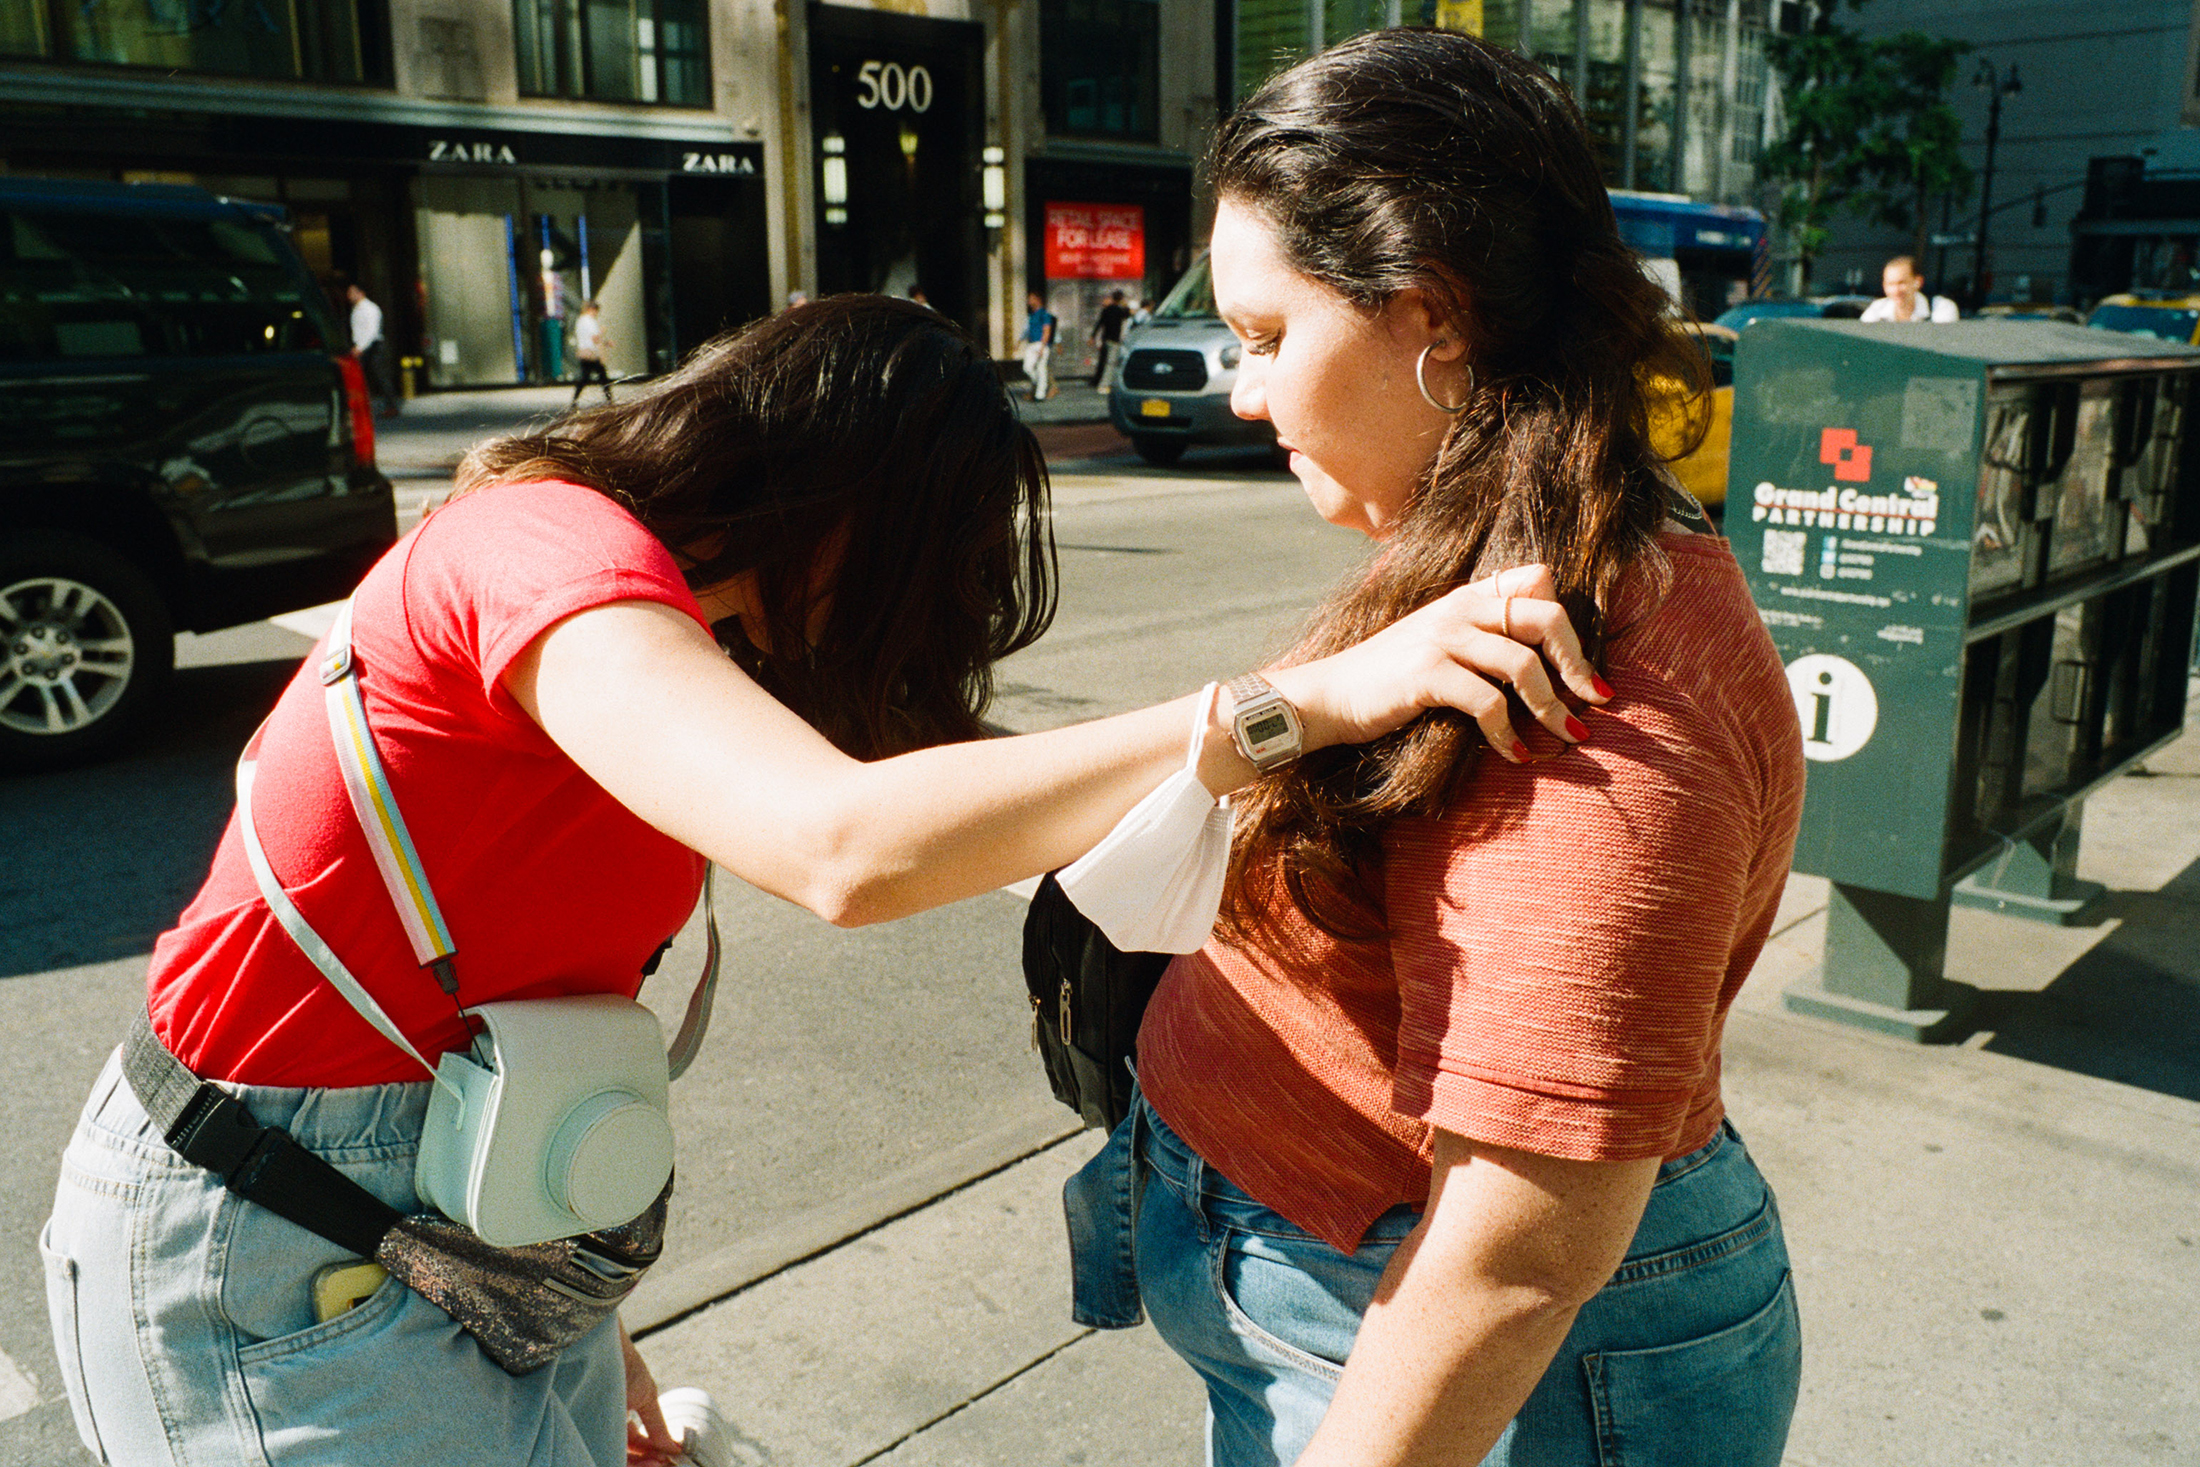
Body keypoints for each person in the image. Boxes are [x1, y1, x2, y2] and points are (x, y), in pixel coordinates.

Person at [41, 295, 1606, 1467]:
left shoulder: (694, 637)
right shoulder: (535, 546)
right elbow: (840, 846)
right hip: (265, 1228)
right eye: (933, 560)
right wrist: (1290, 705)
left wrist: (572, 1306)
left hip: (481, 1220)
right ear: (837, 502)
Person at [1064, 31, 1806, 1467]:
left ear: (1434, 318)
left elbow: (1513, 1255)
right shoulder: (1486, 562)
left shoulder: (1591, 703)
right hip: (1324, 1275)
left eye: (1268, 336)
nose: (1242, 391)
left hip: (1437, 1340)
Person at [346, 281, 400, 418]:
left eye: (352, 292)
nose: (349, 295)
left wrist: (360, 348)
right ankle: (359, 408)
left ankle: (391, 407)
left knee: (381, 377)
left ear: (361, 293)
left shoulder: (370, 309)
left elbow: (372, 331)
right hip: (362, 346)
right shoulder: (356, 309)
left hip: (373, 346)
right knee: (360, 378)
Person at [1861, 254, 1960, 322]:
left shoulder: (1942, 307)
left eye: (1902, 283)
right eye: (1890, 284)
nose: (1896, 291)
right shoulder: (1877, 308)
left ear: (1918, 282)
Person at [571, 300, 614, 406]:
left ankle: (575, 399)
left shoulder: (580, 320)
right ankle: (609, 399)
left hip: (584, 351)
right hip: (590, 352)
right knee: (601, 376)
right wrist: (603, 333)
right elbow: (595, 338)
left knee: (586, 377)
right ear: (592, 310)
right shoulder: (589, 321)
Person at [1091, 288, 1132, 390]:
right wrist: (1125, 305)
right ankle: (1104, 384)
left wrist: (1093, 336)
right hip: (1115, 339)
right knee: (1111, 363)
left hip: (1105, 338)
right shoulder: (1119, 310)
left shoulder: (1106, 310)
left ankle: (1099, 381)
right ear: (1121, 299)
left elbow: (1099, 323)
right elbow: (1128, 314)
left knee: (1104, 361)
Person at [1022, 289, 1056, 400]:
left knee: (1041, 369)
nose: (1029, 301)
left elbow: (1047, 331)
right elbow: (1026, 330)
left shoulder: (1044, 314)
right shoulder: (1031, 315)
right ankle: (1040, 384)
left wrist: (1043, 346)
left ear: (1038, 299)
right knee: (1027, 368)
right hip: (1031, 344)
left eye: (1031, 299)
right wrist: (1019, 341)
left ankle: (1040, 394)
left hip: (1040, 344)